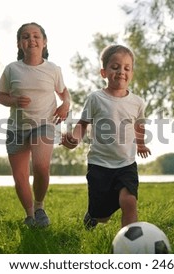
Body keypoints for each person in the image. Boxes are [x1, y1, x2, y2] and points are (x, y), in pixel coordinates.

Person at [61, 44, 151, 229]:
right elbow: (83, 124)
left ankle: (128, 244)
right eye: (115, 67)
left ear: (132, 73)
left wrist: (140, 144)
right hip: (99, 165)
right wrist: (75, 139)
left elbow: (139, 125)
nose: (121, 72)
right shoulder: (96, 98)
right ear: (104, 72)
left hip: (126, 164)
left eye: (127, 68)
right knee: (100, 214)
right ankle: (93, 216)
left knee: (129, 201)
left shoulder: (137, 102)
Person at [0, 22, 70, 228]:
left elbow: (64, 93)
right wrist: (13, 101)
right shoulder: (11, 69)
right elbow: (0, 96)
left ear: (44, 42)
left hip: (44, 124)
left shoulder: (53, 69)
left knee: (40, 166)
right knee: (20, 178)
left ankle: (39, 207)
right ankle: (29, 216)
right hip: (16, 128)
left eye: (36, 36)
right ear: (20, 43)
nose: (32, 40)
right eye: (26, 37)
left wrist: (66, 105)